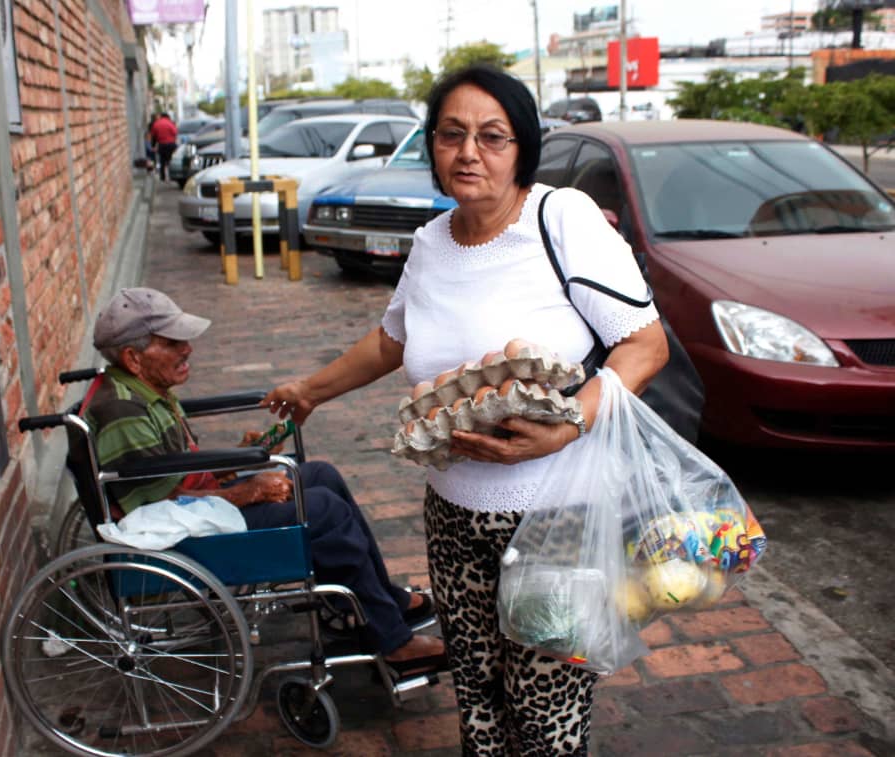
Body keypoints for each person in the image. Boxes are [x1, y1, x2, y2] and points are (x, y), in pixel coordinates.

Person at [264, 65, 668, 755]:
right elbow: (392, 340)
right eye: (451, 134)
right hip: (453, 513)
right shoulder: (431, 242)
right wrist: (311, 390)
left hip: (556, 517)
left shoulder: (560, 219)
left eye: (491, 136)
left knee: (545, 713)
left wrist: (565, 426)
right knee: (478, 698)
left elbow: (645, 346)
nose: (469, 152)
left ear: (523, 146)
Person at [84, 287, 446, 673]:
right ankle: (392, 642)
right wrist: (248, 490)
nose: (187, 349)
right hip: (176, 531)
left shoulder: (145, 389)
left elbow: (174, 471)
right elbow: (162, 503)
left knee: (321, 475)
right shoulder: (124, 412)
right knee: (323, 510)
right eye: (172, 343)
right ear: (133, 358)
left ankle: (377, 600)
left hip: (192, 505)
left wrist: (236, 459)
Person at [149, 112, 178, 181]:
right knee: (171, 160)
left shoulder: (156, 123)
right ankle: (172, 176)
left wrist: (153, 145)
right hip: (171, 145)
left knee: (162, 161)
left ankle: (162, 177)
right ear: (168, 117)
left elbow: (153, 136)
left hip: (162, 145)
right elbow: (175, 133)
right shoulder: (170, 123)